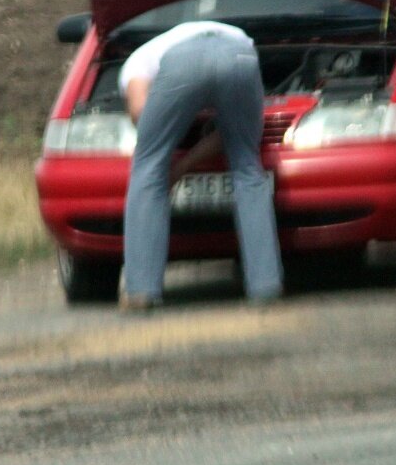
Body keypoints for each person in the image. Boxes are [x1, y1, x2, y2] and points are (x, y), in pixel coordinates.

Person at [118, 20, 283, 309]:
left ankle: (141, 290)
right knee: (247, 164)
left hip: (184, 61)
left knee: (148, 164)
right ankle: (265, 285)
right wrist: (186, 164)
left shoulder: (135, 64)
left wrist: (173, 162)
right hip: (241, 52)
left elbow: (141, 115)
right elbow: (230, 135)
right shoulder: (218, 37)